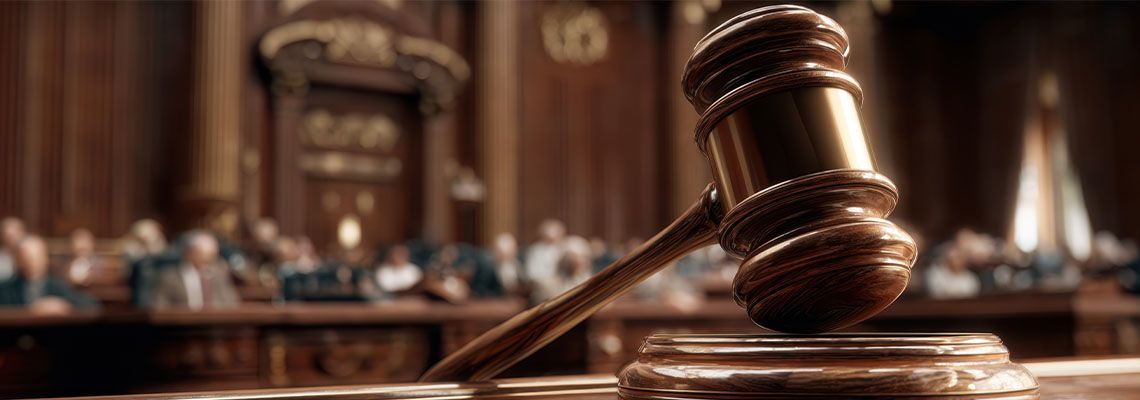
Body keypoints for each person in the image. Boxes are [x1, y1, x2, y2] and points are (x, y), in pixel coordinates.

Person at [0, 235, 98, 313]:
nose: (31, 263)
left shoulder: (58, 286)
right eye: (26, 258)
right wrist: (33, 310)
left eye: (35, 258)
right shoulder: (5, 288)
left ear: (45, 259)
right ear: (18, 260)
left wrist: (63, 306)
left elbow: (91, 305)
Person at [148, 231, 240, 310]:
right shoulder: (168, 277)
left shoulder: (219, 274)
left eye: (212, 257)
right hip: (180, 326)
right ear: (189, 252)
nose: (209, 262)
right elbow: (159, 307)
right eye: (204, 256)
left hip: (215, 326)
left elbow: (231, 303)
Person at [524, 219, 566, 287]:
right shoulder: (535, 250)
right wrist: (549, 280)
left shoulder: (564, 249)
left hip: (562, 283)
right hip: (542, 285)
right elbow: (531, 273)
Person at [0, 217, 27, 282]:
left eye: (14, 235)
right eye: (8, 237)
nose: (12, 240)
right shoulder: (1, 257)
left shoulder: (30, 256)